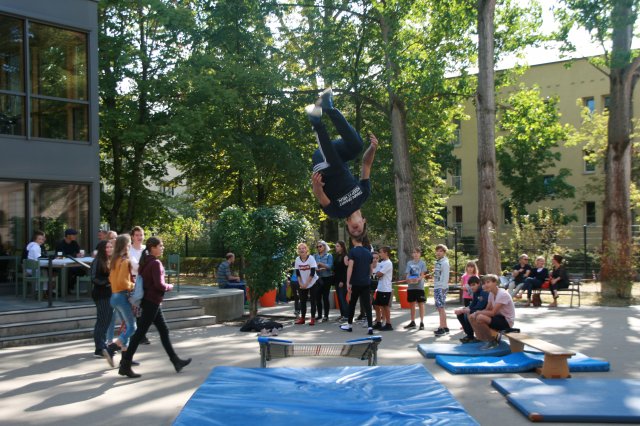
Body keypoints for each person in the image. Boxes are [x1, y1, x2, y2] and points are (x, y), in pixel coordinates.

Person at [306, 89, 378, 239]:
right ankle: (329, 107)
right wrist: (372, 148)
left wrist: (316, 186)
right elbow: (366, 164)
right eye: (359, 230)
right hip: (336, 155)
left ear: (348, 225)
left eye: (352, 232)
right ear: (363, 221)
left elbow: (319, 195)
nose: (356, 230)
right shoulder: (364, 194)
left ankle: (316, 122)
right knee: (357, 146)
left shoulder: (336, 212)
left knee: (335, 167)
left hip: (323, 164)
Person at [117, 237, 191, 378]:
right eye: (160, 246)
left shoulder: (145, 261)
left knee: (163, 330)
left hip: (149, 301)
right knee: (140, 333)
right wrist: (170, 286)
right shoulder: (155, 263)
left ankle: (176, 361)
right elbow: (159, 285)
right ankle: (125, 365)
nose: (162, 248)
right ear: (153, 248)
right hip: (152, 301)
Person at [469, 274, 516, 350]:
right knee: (472, 317)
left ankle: (492, 341)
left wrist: (478, 312)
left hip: (507, 321)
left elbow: (493, 312)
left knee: (480, 317)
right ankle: (482, 339)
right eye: (484, 283)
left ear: (495, 283)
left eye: (488, 282)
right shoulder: (491, 293)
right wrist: (475, 314)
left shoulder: (502, 294)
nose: (485, 285)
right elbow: (487, 309)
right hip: (498, 318)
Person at [339, 234, 374, 335]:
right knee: (367, 305)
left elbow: (350, 267)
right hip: (366, 282)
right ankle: (370, 327)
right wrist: (366, 276)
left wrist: (348, 282)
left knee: (352, 304)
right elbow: (371, 269)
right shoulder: (368, 253)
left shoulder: (353, 251)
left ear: (354, 241)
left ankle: (349, 325)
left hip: (355, 282)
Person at [108, 234, 136, 355]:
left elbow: (111, 279)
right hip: (121, 296)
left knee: (125, 326)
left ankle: (125, 357)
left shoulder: (114, 260)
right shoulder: (125, 261)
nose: (130, 245)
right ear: (125, 246)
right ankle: (112, 347)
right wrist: (133, 285)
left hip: (114, 296)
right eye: (129, 243)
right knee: (132, 327)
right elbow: (122, 282)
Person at [91, 240, 117, 362]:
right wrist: (107, 282)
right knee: (102, 320)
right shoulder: (97, 261)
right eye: (107, 247)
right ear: (102, 249)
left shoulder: (110, 260)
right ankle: (99, 348)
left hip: (110, 293)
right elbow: (94, 278)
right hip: (101, 294)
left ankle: (103, 344)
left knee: (108, 320)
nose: (109, 249)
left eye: (111, 247)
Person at [454, 276, 489, 343]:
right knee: (460, 314)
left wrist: (467, 310)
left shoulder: (483, 292)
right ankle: (469, 335)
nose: (472, 287)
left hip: (484, 311)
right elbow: (472, 305)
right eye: (470, 286)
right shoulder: (476, 292)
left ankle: (472, 336)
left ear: (478, 284)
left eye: (473, 285)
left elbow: (480, 307)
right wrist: (463, 309)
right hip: (478, 310)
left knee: (467, 314)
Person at [294, 243, 319, 325]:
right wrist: (300, 283)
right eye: (300, 249)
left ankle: (312, 318)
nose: (302, 250)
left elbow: (312, 273)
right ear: (298, 251)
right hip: (302, 283)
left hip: (312, 282)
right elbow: (297, 273)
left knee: (313, 301)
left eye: (303, 248)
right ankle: (302, 318)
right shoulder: (297, 259)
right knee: (302, 301)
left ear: (306, 250)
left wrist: (306, 284)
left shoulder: (311, 258)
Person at [403, 248, 428, 330]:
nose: (416, 254)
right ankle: (412, 322)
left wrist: (418, 279)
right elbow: (407, 274)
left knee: (421, 304)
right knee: (412, 305)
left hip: (419, 287)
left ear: (420, 254)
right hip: (411, 287)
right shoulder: (409, 263)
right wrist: (408, 279)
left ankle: (422, 322)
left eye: (417, 252)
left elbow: (422, 275)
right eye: (414, 252)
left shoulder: (422, 263)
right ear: (412, 254)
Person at [372, 246, 393, 331]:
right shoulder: (382, 263)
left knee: (385, 306)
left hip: (385, 288)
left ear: (386, 253)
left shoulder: (388, 263)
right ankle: (378, 323)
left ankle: (388, 324)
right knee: (376, 305)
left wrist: (376, 274)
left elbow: (379, 274)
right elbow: (376, 272)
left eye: (381, 252)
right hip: (380, 288)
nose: (379, 254)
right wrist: (376, 273)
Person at [433, 244, 451, 337]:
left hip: (441, 287)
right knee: (439, 308)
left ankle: (442, 327)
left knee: (441, 307)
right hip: (437, 286)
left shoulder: (445, 263)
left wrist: (443, 288)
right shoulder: (438, 262)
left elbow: (446, 276)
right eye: (437, 251)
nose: (438, 253)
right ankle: (445, 327)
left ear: (444, 252)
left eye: (441, 251)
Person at [314, 240, 333, 322]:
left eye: (320, 246)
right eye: (317, 247)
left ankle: (326, 316)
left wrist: (321, 264)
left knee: (325, 297)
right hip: (317, 278)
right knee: (317, 297)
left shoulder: (329, 255)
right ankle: (319, 315)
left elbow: (330, 266)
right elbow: (312, 266)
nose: (319, 248)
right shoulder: (314, 256)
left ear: (324, 246)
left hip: (327, 278)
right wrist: (316, 268)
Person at [333, 240, 349, 322]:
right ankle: (343, 315)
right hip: (337, 280)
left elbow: (346, 270)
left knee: (342, 298)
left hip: (342, 281)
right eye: (336, 246)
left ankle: (347, 316)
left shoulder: (345, 256)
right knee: (339, 298)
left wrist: (343, 281)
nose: (336, 247)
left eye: (338, 246)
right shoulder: (337, 256)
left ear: (342, 247)